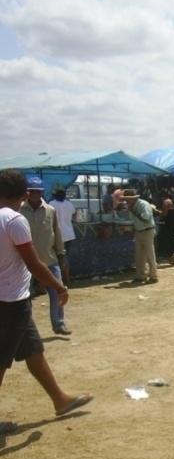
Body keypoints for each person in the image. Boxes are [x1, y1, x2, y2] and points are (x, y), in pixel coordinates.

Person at [1, 170, 93, 434]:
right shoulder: (14, 220)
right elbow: (33, 262)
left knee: (33, 351)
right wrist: (59, 286)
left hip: (14, 298)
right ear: (22, 194)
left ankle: (60, 399)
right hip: (9, 301)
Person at [19, 177, 70, 335]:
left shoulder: (50, 210)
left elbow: (57, 232)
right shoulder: (19, 210)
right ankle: (24, 328)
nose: (35, 194)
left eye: (38, 191)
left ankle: (59, 323)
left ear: (42, 192)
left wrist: (61, 254)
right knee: (24, 297)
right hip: (24, 262)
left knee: (57, 292)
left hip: (49, 259)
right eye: (32, 191)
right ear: (27, 192)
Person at [122, 188, 158, 284]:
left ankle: (153, 276)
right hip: (139, 231)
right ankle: (141, 276)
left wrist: (132, 211)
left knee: (150, 255)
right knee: (139, 255)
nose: (126, 201)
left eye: (127, 199)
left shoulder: (143, 204)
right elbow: (132, 220)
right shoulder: (132, 205)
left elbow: (145, 218)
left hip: (147, 231)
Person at [49, 186, 76, 285]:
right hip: (69, 234)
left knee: (57, 258)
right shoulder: (69, 204)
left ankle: (59, 280)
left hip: (58, 235)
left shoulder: (52, 204)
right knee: (65, 257)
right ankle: (67, 280)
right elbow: (73, 214)